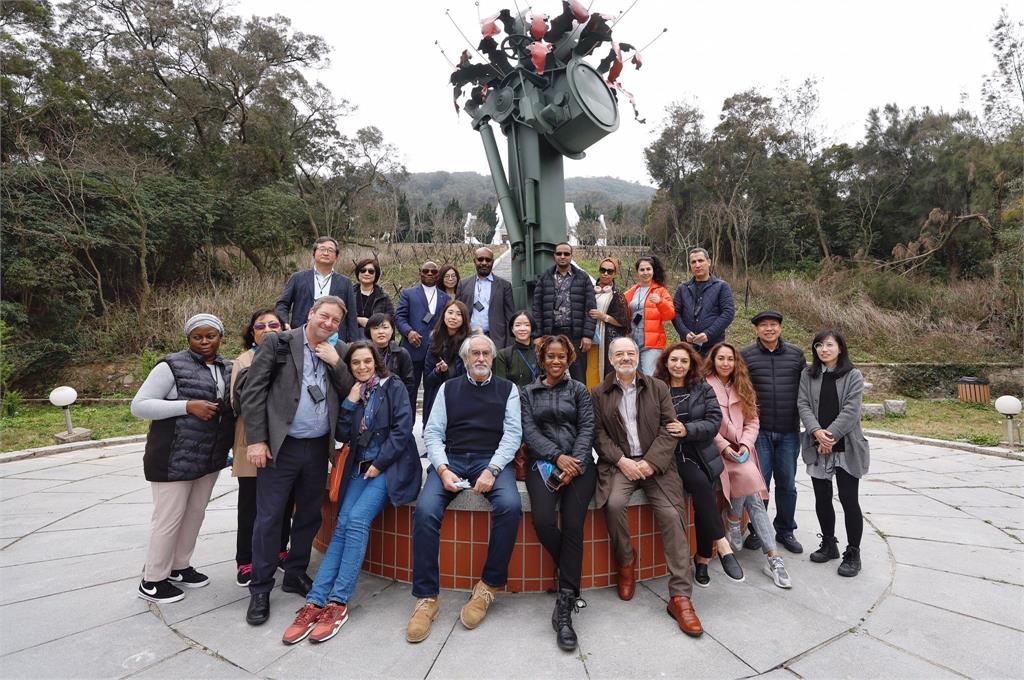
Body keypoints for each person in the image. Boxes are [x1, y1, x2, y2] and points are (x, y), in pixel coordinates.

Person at [282, 342, 421, 644]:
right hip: (360, 467)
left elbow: (403, 429)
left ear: (376, 361)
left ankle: (338, 603)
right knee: (343, 524)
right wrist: (349, 403)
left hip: (389, 467)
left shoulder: (392, 386)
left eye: (366, 361)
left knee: (356, 520)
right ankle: (315, 601)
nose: (361, 367)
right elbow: (343, 435)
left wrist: (379, 464)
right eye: (355, 362)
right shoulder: (356, 392)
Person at [240, 296, 354, 626]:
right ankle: (260, 588)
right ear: (311, 314)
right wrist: (258, 440)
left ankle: (294, 573)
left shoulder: (339, 351)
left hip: (318, 447)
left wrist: (336, 362)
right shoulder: (279, 342)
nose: (329, 324)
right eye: (325, 316)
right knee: (269, 517)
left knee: (308, 514)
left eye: (335, 320)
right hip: (281, 447)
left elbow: (350, 392)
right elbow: (253, 392)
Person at [407, 335, 522, 643]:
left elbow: (512, 435)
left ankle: (487, 587)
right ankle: (426, 599)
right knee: (426, 511)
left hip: (491, 459)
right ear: (466, 359)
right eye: (475, 353)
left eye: (486, 353)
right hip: (453, 459)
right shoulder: (448, 388)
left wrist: (492, 469)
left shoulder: (508, 390)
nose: (481, 358)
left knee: (511, 506)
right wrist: (443, 469)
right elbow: (432, 433)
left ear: (492, 357)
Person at [591, 336, 703, 637]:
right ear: (611, 359)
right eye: (620, 354)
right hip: (622, 463)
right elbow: (598, 435)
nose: (626, 358)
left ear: (638, 357)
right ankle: (626, 563)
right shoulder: (599, 392)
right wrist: (623, 461)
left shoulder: (658, 388)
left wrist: (650, 462)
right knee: (613, 504)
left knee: (671, 515)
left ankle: (680, 596)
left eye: (631, 353)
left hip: (657, 464)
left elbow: (671, 428)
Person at [131, 313, 235, 603]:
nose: (204, 342)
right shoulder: (171, 365)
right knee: (168, 518)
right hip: (172, 456)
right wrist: (187, 406)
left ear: (220, 337)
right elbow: (139, 405)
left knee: (194, 514)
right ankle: (152, 579)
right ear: (188, 339)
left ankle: (179, 566)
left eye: (210, 336)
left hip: (208, 458)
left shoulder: (227, 367)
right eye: (197, 336)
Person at [520, 335, 596, 652]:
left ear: (569, 359)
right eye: (550, 356)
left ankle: (564, 607)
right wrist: (556, 457)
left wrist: (574, 462)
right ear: (542, 359)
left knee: (574, 526)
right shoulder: (527, 393)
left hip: (579, 466)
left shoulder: (578, 390)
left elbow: (588, 427)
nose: (555, 361)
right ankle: (570, 570)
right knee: (543, 521)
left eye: (561, 356)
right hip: (544, 466)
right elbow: (529, 431)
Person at [654, 342, 744, 587]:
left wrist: (687, 429)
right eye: (674, 360)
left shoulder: (702, 388)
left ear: (691, 364)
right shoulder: (655, 387)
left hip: (699, 450)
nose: (679, 365)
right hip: (670, 454)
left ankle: (703, 558)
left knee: (705, 493)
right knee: (700, 484)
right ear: (665, 362)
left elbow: (714, 421)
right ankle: (721, 546)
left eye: (684, 361)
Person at [705, 342, 793, 589]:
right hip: (718, 452)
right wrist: (726, 447)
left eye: (730, 359)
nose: (725, 363)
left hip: (742, 450)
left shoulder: (743, 385)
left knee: (753, 495)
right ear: (713, 360)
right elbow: (707, 422)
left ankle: (734, 518)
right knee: (752, 486)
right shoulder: (704, 386)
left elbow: (753, 421)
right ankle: (773, 557)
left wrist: (744, 444)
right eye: (721, 358)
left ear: (736, 363)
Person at [798, 330, 869, 578]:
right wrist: (817, 432)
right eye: (819, 345)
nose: (823, 349)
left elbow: (851, 411)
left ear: (840, 348)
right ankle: (829, 544)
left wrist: (830, 436)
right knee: (822, 497)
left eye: (829, 345)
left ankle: (853, 552)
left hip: (845, 447)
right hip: (817, 446)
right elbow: (803, 404)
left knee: (849, 500)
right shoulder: (808, 374)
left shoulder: (853, 375)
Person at [229, 308, 292, 588]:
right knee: (252, 505)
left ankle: (279, 549)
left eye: (273, 324)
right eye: (260, 326)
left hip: (286, 443)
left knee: (285, 502)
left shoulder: (292, 355)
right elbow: (237, 402)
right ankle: (246, 560)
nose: (267, 329)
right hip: (252, 440)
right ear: (251, 332)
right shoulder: (244, 360)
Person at [741, 311, 808, 554]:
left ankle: (785, 530)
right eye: (763, 326)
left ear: (780, 328)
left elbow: (807, 390)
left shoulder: (795, 355)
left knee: (787, 484)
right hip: (760, 431)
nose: (769, 329)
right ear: (756, 330)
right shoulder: (746, 355)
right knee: (760, 484)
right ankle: (758, 529)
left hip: (789, 430)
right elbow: (741, 389)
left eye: (773, 325)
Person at [532, 242, 597, 382]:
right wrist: (537, 335)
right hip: (551, 333)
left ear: (571, 256)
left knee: (579, 376)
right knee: (550, 373)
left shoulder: (583, 278)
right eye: (559, 253)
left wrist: (587, 335)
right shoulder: (545, 278)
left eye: (566, 254)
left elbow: (590, 308)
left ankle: (580, 403)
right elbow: (537, 308)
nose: (563, 256)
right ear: (554, 256)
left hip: (576, 335)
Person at [276, 236, 359, 342]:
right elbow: (282, 304)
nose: (326, 253)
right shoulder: (298, 278)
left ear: (336, 256)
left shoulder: (345, 282)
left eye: (330, 250)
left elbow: (351, 314)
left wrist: (353, 341)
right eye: (322, 249)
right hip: (300, 336)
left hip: (334, 337)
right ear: (314, 253)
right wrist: (285, 324)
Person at [394, 260, 449, 416]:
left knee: (433, 392)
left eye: (433, 271)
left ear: (438, 275)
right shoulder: (408, 294)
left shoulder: (445, 298)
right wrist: (408, 332)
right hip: (413, 349)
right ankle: (406, 427)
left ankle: (429, 426)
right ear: (421, 273)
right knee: (410, 389)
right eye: (426, 271)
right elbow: (399, 317)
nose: (429, 274)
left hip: (436, 351)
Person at [672, 248, 735, 356]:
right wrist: (685, 332)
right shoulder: (682, 289)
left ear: (709, 262)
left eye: (700, 261)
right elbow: (675, 313)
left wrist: (708, 334)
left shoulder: (722, 287)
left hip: (713, 347)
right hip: (688, 346)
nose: (697, 265)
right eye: (693, 262)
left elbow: (728, 313)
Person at [624, 255, 675, 375]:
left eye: (648, 269)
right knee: (634, 376)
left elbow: (670, 315)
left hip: (652, 344)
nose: (645, 272)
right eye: (642, 270)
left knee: (649, 377)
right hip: (632, 341)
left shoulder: (661, 291)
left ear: (653, 271)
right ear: (637, 272)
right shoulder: (631, 292)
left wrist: (660, 302)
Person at [457, 246, 515, 349]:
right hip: (468, 339)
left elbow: (510, 318)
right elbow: (458, 313)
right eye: (480, 259)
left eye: (488, 260)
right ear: (474, 261)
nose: (484, 263)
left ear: (492, 262)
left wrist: (509, 345)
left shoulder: (504, 286)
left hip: (495, 340)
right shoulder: (463, 284)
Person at [422, 300, 471, 422]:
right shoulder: (434, 339)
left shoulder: (470, 342)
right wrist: (438, 371)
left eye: (459, 314)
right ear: (444, 315)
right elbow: (428, 380)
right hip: (438, 395)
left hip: (462, 396)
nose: (453, 317)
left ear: (464, 318)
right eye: (450, 312)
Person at [586, 256, 630, 387]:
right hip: (590, 339)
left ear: (615, 274)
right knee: (590, 371)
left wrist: (603, 316)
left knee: (607, 372)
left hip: (608, 341)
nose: (605, 273)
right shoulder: (589, 292)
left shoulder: (618, 295)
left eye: (609, 271)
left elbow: (624, 322)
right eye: (603, 269)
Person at [365, 313, 415, 407]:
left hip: (393, 403)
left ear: (392, 330)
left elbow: (409, 384)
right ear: (369, 331)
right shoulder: (362, 352)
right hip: (367, 402)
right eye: (376, 328)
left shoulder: (401, 353)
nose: (381, 331)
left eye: (385, 327)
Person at [494, 311, 540, 388]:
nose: (522, 329)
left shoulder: (541, 351)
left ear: (532, 328)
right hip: (515, 398)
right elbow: (501, 384)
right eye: (518, 325)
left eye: (527, 325)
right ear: (512, 329)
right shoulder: (503, 355)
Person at [352, 258, 394, 329]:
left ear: (376, 275)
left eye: (371, 271)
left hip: (376, 335)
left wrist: (373, 323)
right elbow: (341, 316)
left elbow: (390, 319)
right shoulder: (349, 294)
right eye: (363, 270)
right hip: (351, 336)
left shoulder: (383, 296)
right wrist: (358, 320)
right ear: (358, 273)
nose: (366, 273)